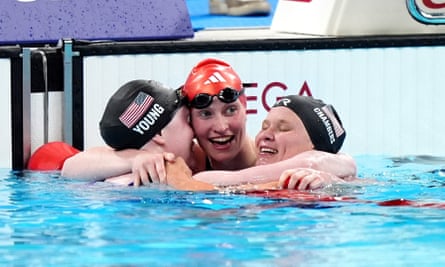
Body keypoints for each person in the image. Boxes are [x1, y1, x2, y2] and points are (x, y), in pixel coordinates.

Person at [162, 94, 354, 191]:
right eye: (264, 126)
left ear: (314, 147)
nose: (265, 136)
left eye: (284, 128)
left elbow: (201, 182)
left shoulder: (317, 180)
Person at [61, 79, 206, 186]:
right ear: (158, 134)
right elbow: (70, 167)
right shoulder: (135, 183)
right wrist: (140, 159)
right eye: (187, 120)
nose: (195, 129)